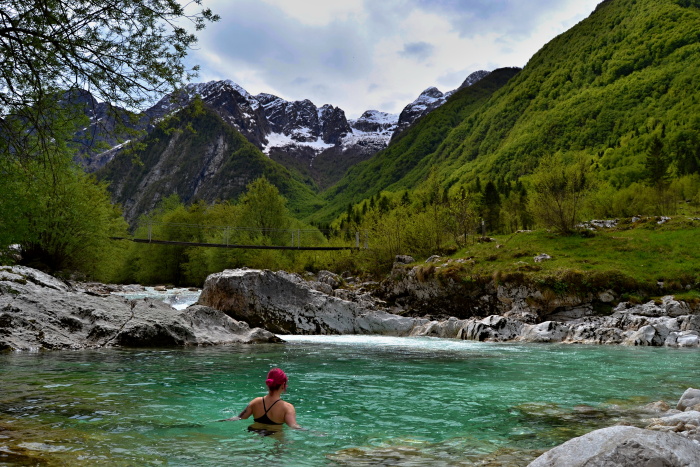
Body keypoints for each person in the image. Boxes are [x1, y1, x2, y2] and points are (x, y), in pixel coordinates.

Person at [221, 368, 301, 431]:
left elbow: (239, 417)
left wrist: (220, 421)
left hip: (254, 432)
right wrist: (310, 431)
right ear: (283, 385)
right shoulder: (287, 407)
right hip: (275, 435)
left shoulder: (256, 402)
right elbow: (293, 426)